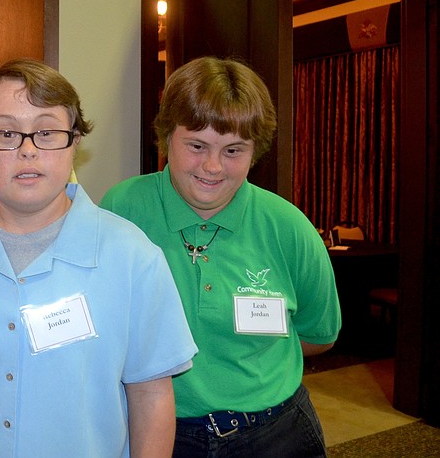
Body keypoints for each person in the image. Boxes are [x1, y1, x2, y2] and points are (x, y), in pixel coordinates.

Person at [0, 58, 198, 457]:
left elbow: (152, 394)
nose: (28, 151)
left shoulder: (132, 255)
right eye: (5, 133)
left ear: (75, 142)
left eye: (47, 132)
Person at [100, 56, 341, 457]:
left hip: (274, 433)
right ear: (166, 138)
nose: (212, 167)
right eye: (196, 146)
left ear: (255, 152)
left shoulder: (288, 227)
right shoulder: (122, 209)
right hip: (159, 433)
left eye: (233, 150)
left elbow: (319, 335)